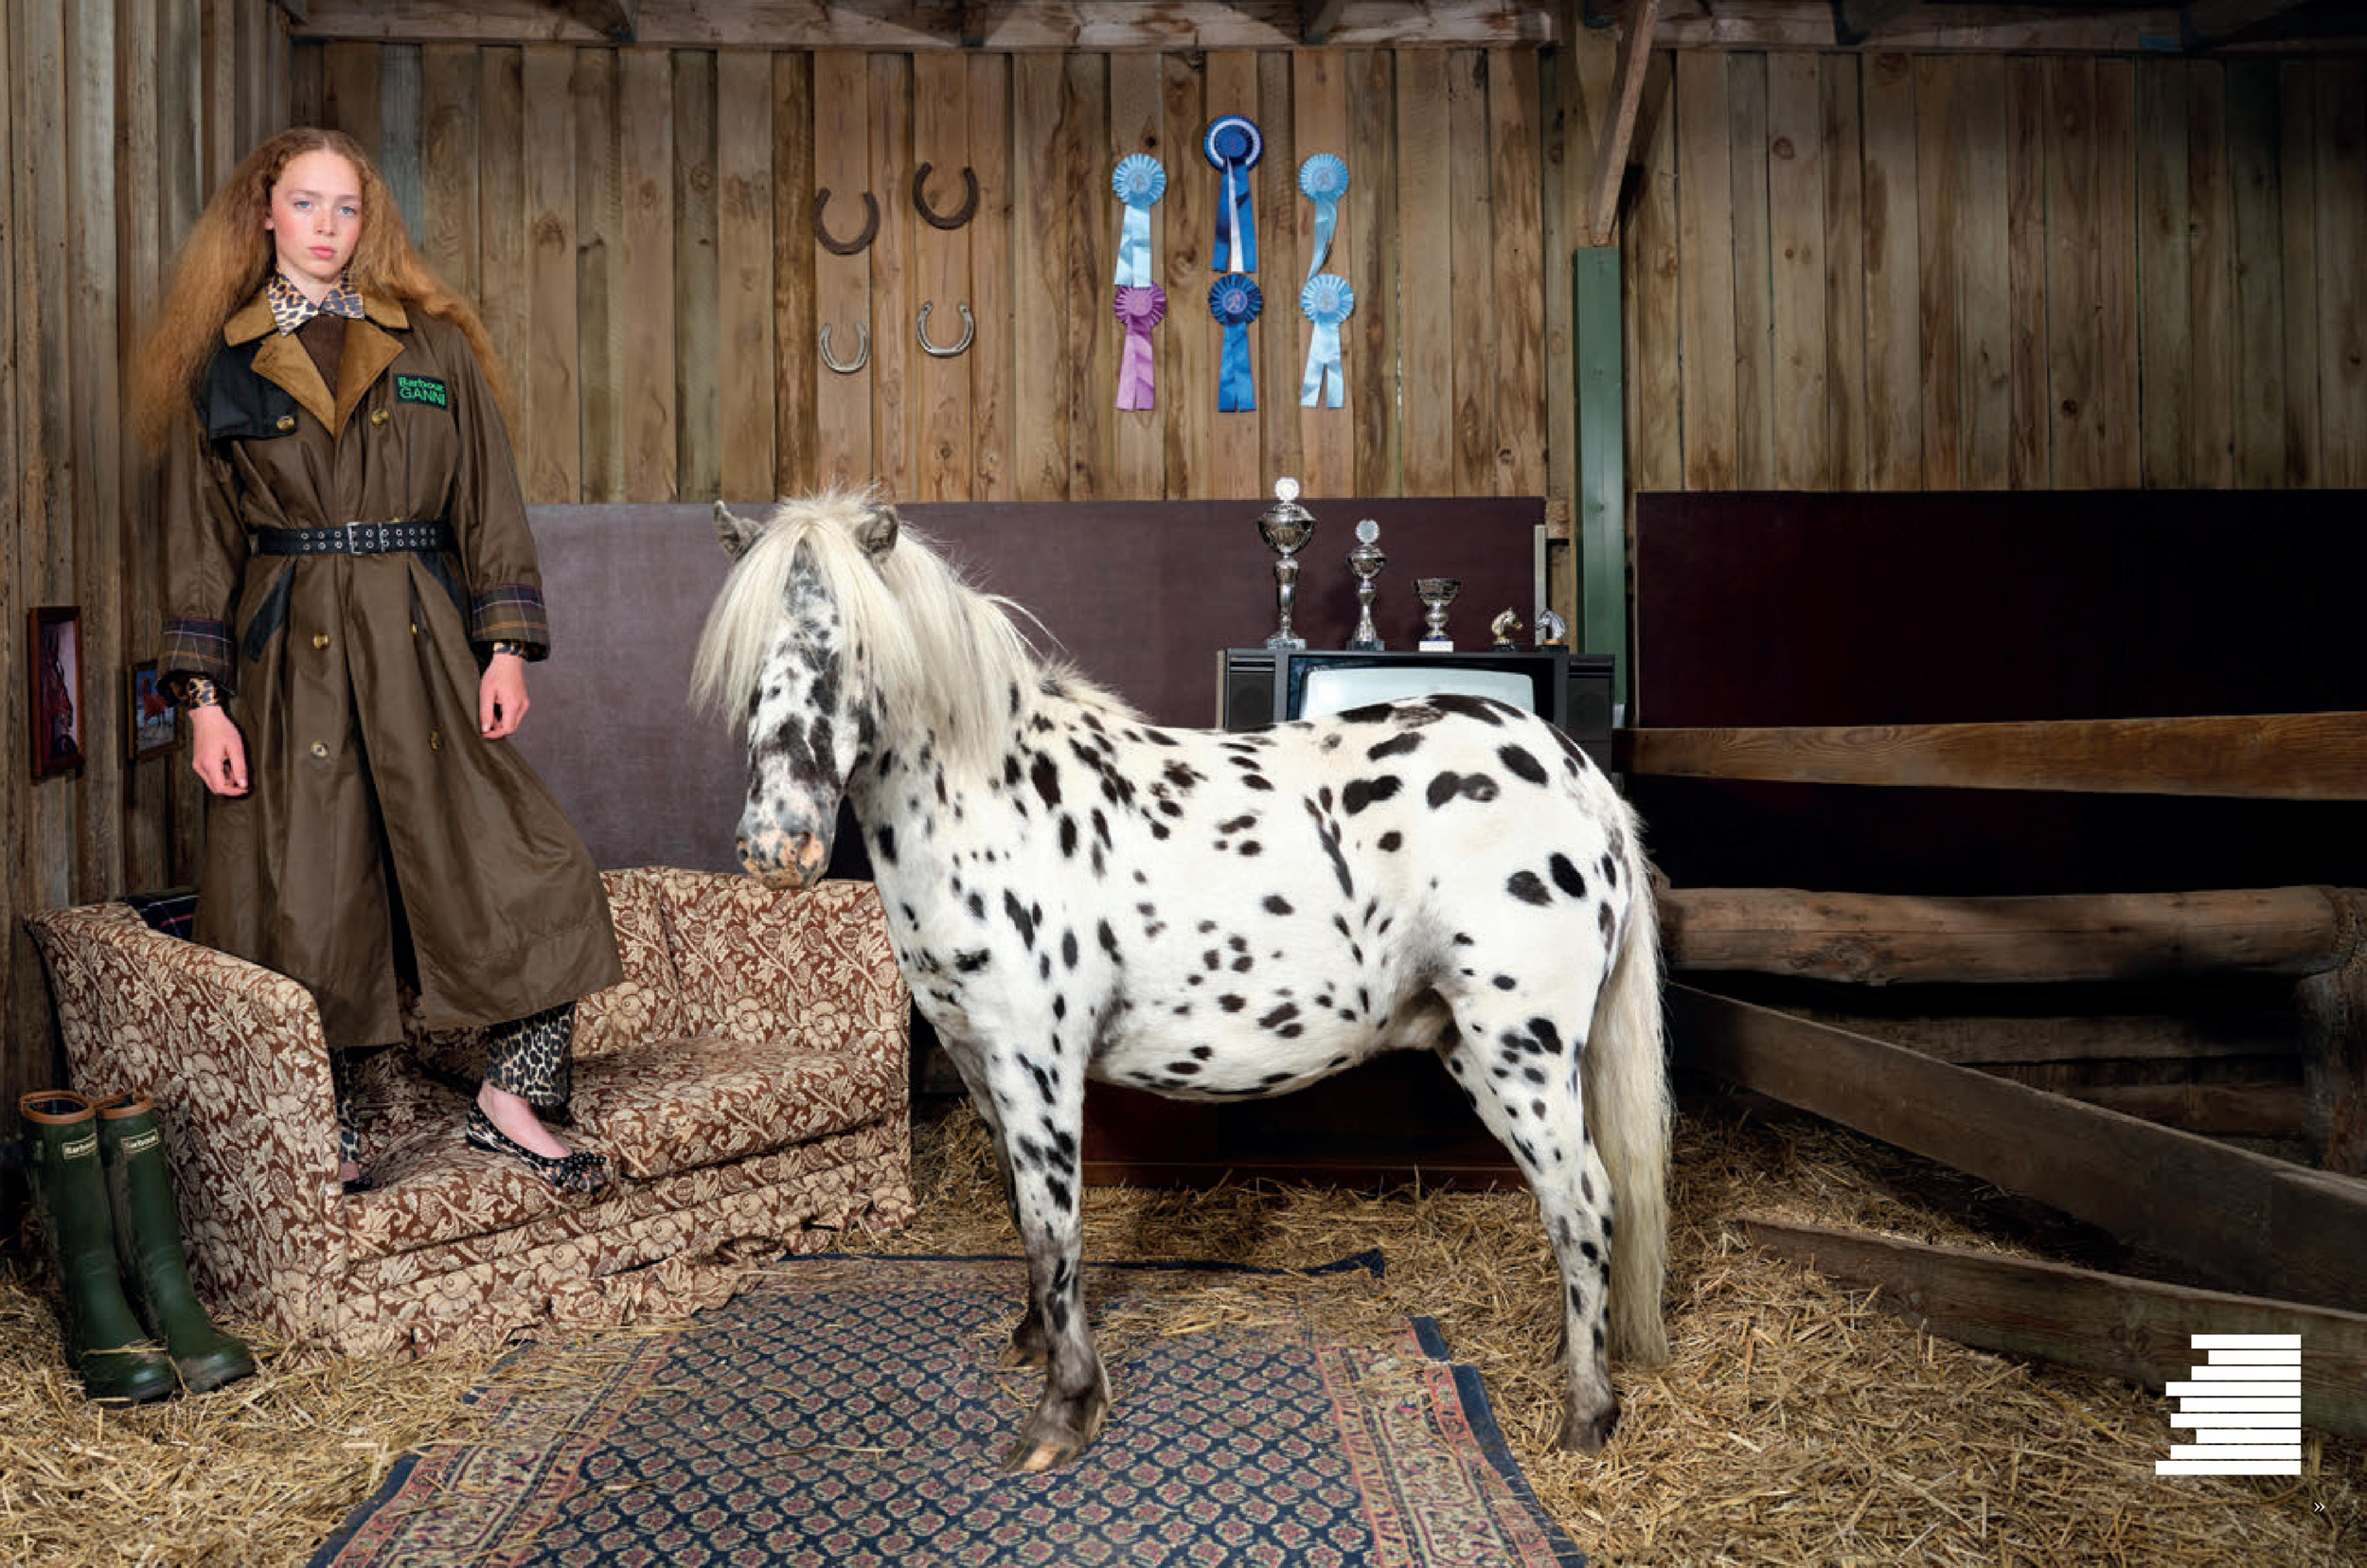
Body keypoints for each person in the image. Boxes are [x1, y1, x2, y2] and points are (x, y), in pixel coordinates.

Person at [132, 128, 622, 1196]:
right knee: (313, 889)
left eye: (345, 209)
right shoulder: (219, 357)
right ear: (266, 212)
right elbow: (195, 544)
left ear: (369, 221)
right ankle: (334, 1123)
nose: (325, 228)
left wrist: (504, 648)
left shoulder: (431, 345)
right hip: (287, 656)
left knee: (528, 868)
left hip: (425, 645)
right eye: (305, 206)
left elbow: (487, 502)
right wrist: (203, 703)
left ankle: (512, 1100)